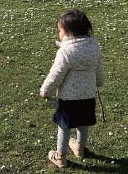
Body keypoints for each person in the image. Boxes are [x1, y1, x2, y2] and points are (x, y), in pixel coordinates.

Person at [40, 10, 105, 168]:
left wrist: (45, 90)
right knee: (83, 124)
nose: (59, 34)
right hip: (88, 95)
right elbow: (99, 69)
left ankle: (60, 157)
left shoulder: (66, 51)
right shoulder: (94, 47)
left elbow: (56, 75)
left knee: (64, 126)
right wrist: (99, 82)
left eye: (60, 30)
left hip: (68, 98)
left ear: (69, 32)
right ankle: (79, 148)